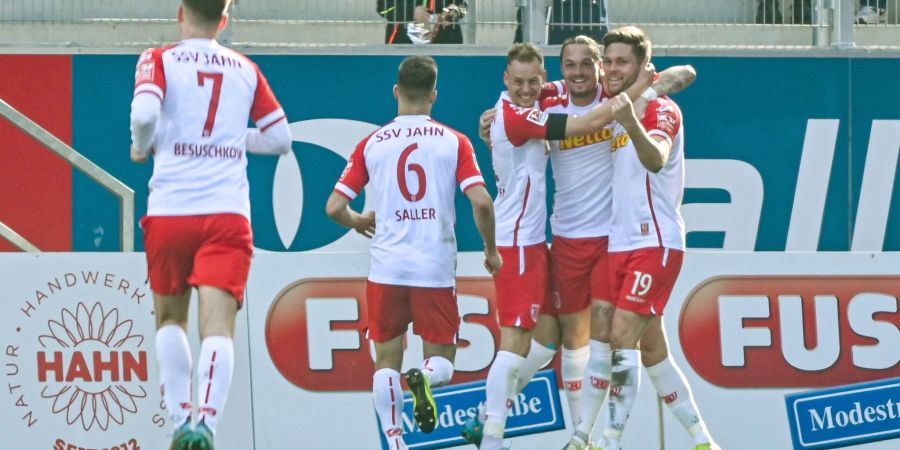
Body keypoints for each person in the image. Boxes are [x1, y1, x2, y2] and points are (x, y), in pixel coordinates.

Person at [472, 36, 698, 438]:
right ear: (559, 71)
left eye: (586, 64)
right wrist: (492, 121)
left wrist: (651, 86)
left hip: (615, 240)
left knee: (603, 345)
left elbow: (686, 73)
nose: (577, 73)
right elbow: (514, 101)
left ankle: (585, 437)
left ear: (599, 67)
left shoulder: (616, 91)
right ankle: (494, 416)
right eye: (569, 65)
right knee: (553, 344)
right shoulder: (549, 96)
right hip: (568, 237)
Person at [129, 1, 292, 449]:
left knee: (169, 320)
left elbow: (144, 116)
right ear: (225, 18)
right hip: (226, 213)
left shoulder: (157, 58)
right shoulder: (244, 68)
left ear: (180, 12)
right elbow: (280, 139)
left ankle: (182, 419)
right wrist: (231, 138)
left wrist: (141, 147)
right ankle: (207, 426)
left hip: (170, 210)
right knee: (217, 329)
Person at [325, 55, 502, 450]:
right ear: (434, 96)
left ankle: (395, 440)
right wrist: (491, 251)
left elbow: (334, 208)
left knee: (385, 360)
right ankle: (424, 375)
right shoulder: (454, 141)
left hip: (387, 267)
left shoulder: (372, 143)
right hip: (433, 267)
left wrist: (358, 221)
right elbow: (483, 203)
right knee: (442, 360)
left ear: (396, 92)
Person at [566, 26, 717, 450]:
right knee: (650, 351)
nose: (611, 69)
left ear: (641, 68)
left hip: (656, 242)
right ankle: (702, 439)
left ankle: (605, 439)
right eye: (608, 61)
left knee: (620, 337)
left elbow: (656, 158)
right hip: (617, 244)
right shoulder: (615, 105)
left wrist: (636, 111)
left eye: (621, 62)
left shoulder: (661, 108)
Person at [377, 0, 468, 44]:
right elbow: (383, 9)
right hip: (403, 44)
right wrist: (412, 11)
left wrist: (452, 11)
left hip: (445, 44)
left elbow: (463, 7)